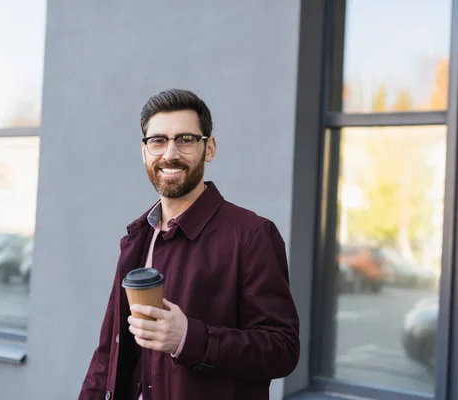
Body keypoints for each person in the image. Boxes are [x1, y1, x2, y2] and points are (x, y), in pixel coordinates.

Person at [79, 89, 300, 400]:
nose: (170, 154)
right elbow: (108, 354)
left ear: (209, 148)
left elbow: (282, 350)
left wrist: (189, 339)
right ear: (144, 152)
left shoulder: (252, 235)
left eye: (185, 139)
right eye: (158, 141)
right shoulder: (137, 237)